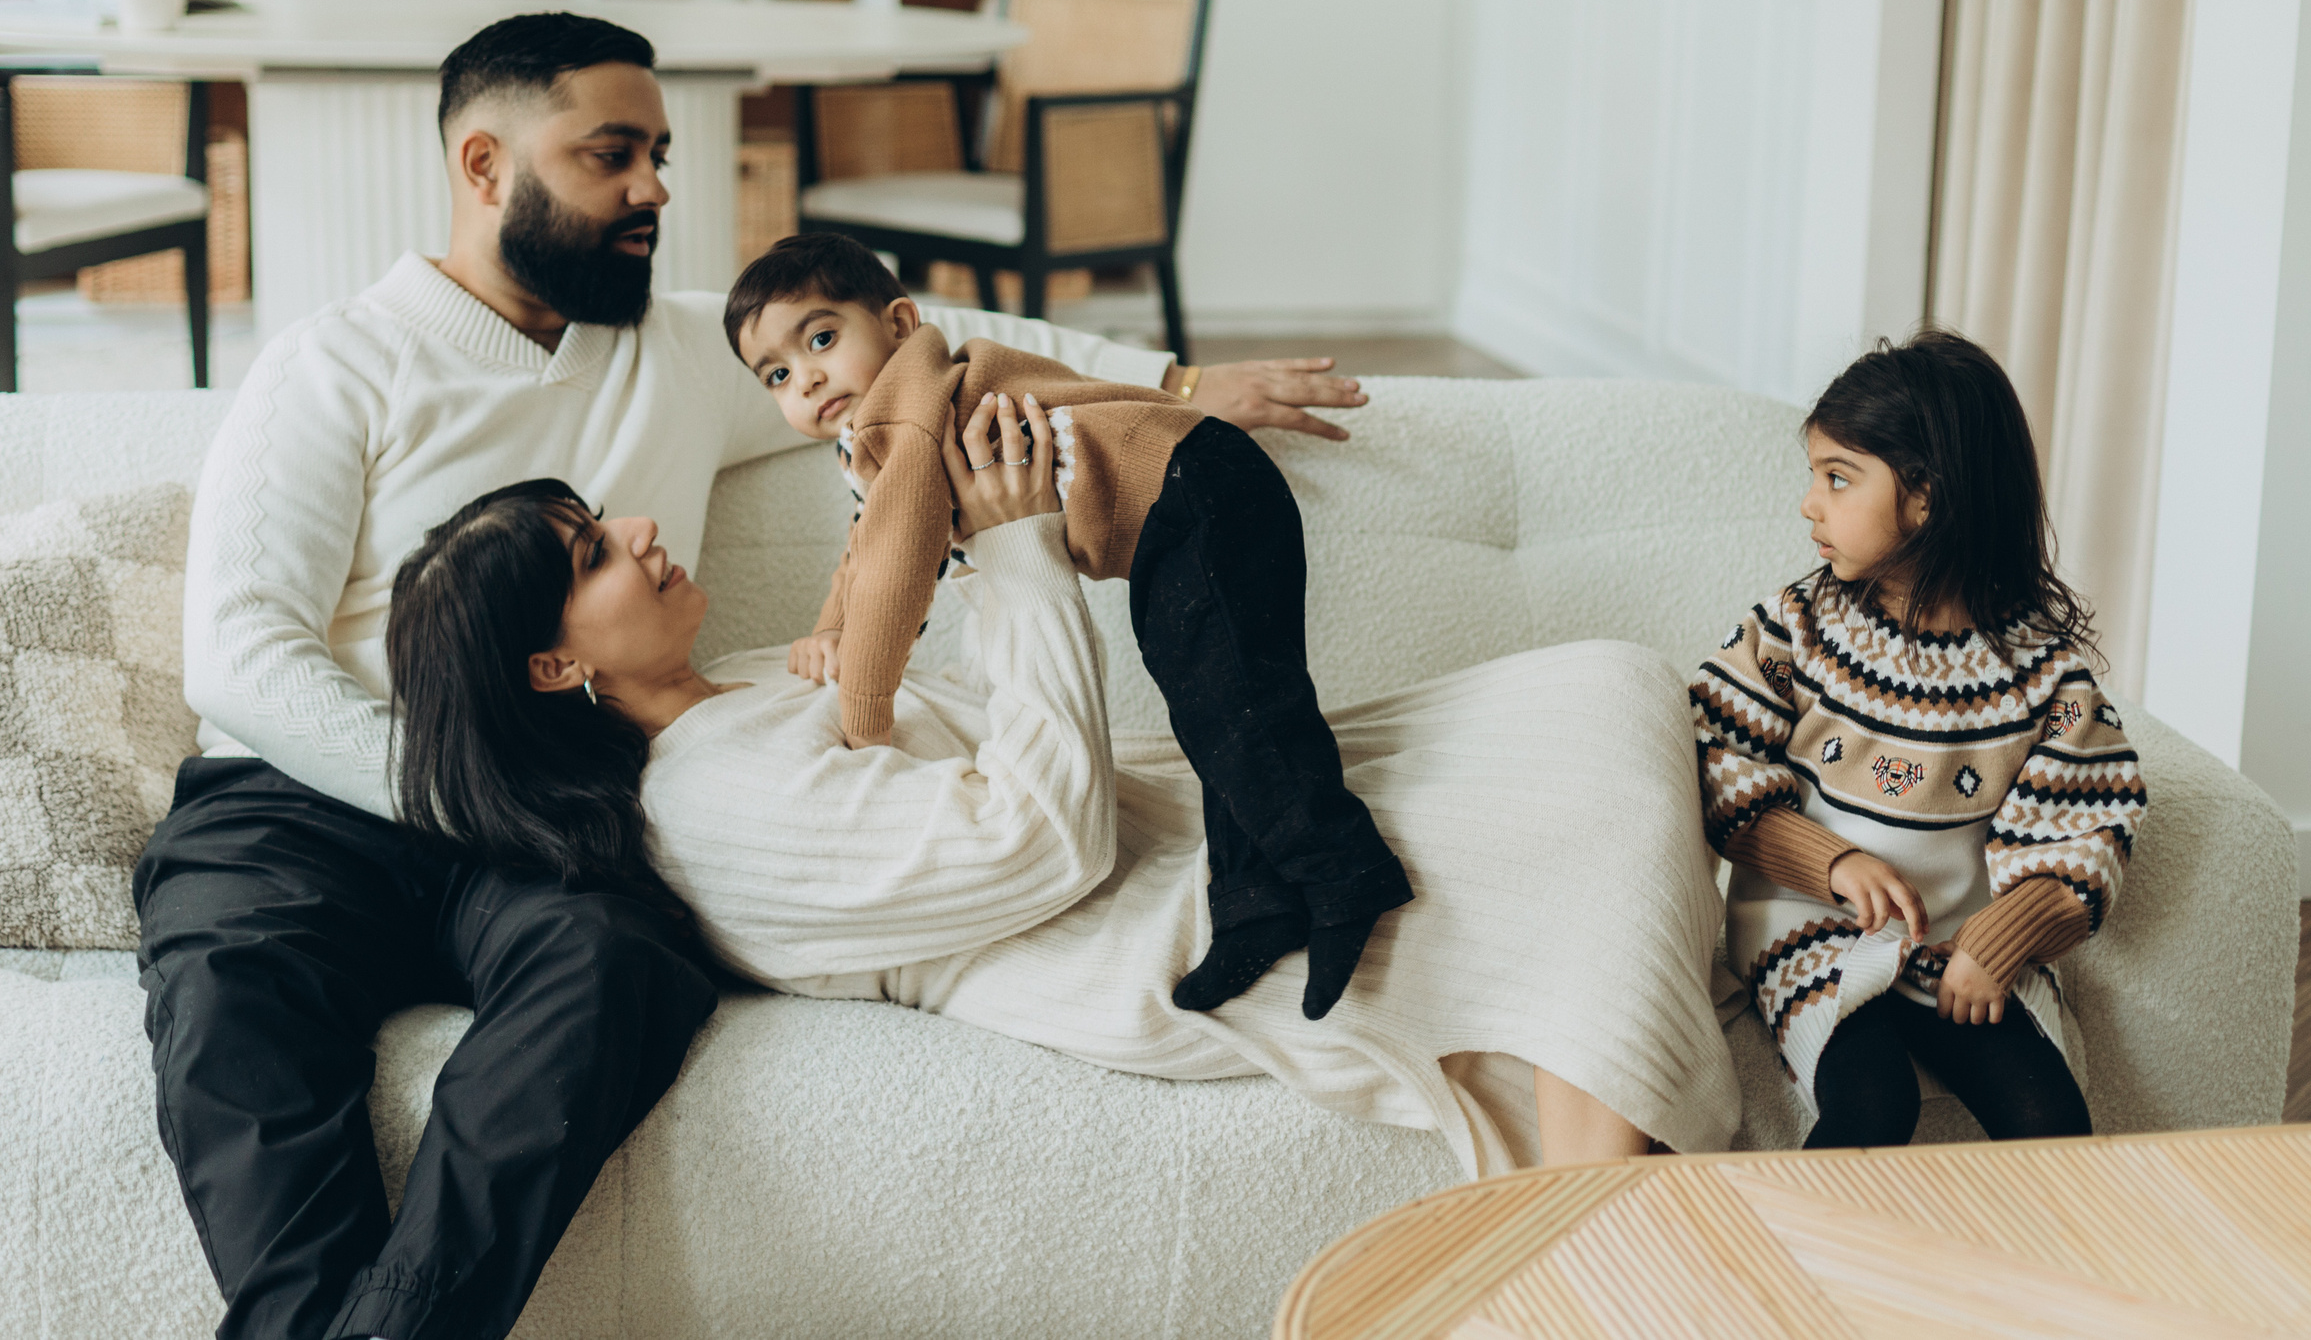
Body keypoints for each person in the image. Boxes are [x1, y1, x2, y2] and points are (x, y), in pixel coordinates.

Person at [141, 9, 1373, 1340]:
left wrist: (1170, 377)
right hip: (300, 807)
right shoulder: (333, 362)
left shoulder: (679, 351)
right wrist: (470, 787)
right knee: (235, 1016)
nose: (657, 188)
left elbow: (919, 343)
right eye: (612, 153)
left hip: (549, 811)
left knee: (616, 967)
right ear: (485, 166)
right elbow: (241, 654)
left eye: (659, 153)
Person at [381, 397, 1742, 1181]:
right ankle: (1590, 1214)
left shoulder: (736, 682)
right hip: (1122, 920)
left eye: (600, 519)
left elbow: (967, 708)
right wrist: (1024, 553)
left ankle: (1598, 1186)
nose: (637, 530)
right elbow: (1037, 839)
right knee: (1574, 826)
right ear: (555, 665)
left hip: (1160, 821)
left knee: (1607, 692)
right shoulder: (705, 809)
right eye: (592, 554)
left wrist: (944, 530)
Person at [724, 233, 1410, 1020]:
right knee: (1214, 711)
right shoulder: (887, 427)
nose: (807, 377)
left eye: (820, 339)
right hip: (1189, 502)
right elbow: (866, 542)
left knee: (1240, 706)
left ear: (900, 323)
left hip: (1196, 490)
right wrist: (830, 628)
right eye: (777, 374)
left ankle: (1342, 872)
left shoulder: (905, 418)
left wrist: (865, 713)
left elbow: (895, 567)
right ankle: (1255, 902)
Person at [1688, 329, 2147, 1149]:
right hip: (1811, 926)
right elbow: (1721, 757)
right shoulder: (1797, 628)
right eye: (1815, 476)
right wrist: (1831, 862)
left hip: (1954, 939)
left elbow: (2089, 829)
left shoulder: (2041, 672)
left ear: (1926, 496)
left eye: (1837, 478)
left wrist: (1999, 942)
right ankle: (1793, 1234)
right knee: (1874, 1103)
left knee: (2050, 1116)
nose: (1809, 503)